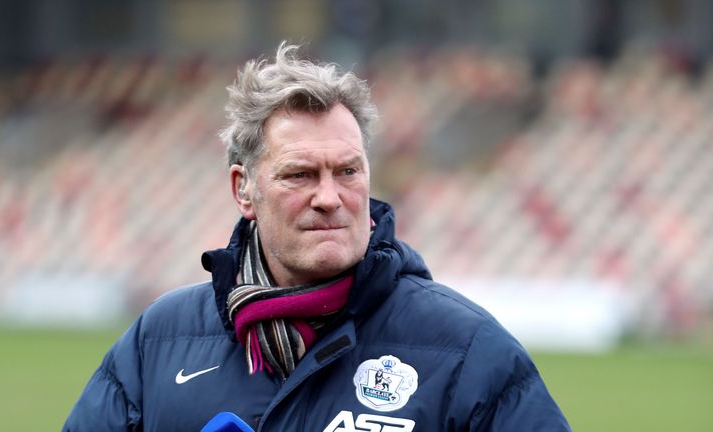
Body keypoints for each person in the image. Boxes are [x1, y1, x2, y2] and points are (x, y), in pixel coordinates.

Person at [64, 42, 570, 431]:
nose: (329, 197)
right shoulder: (159, 342)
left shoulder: (467, 351)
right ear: (244, 190)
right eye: (300, 175)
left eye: (347, 171)